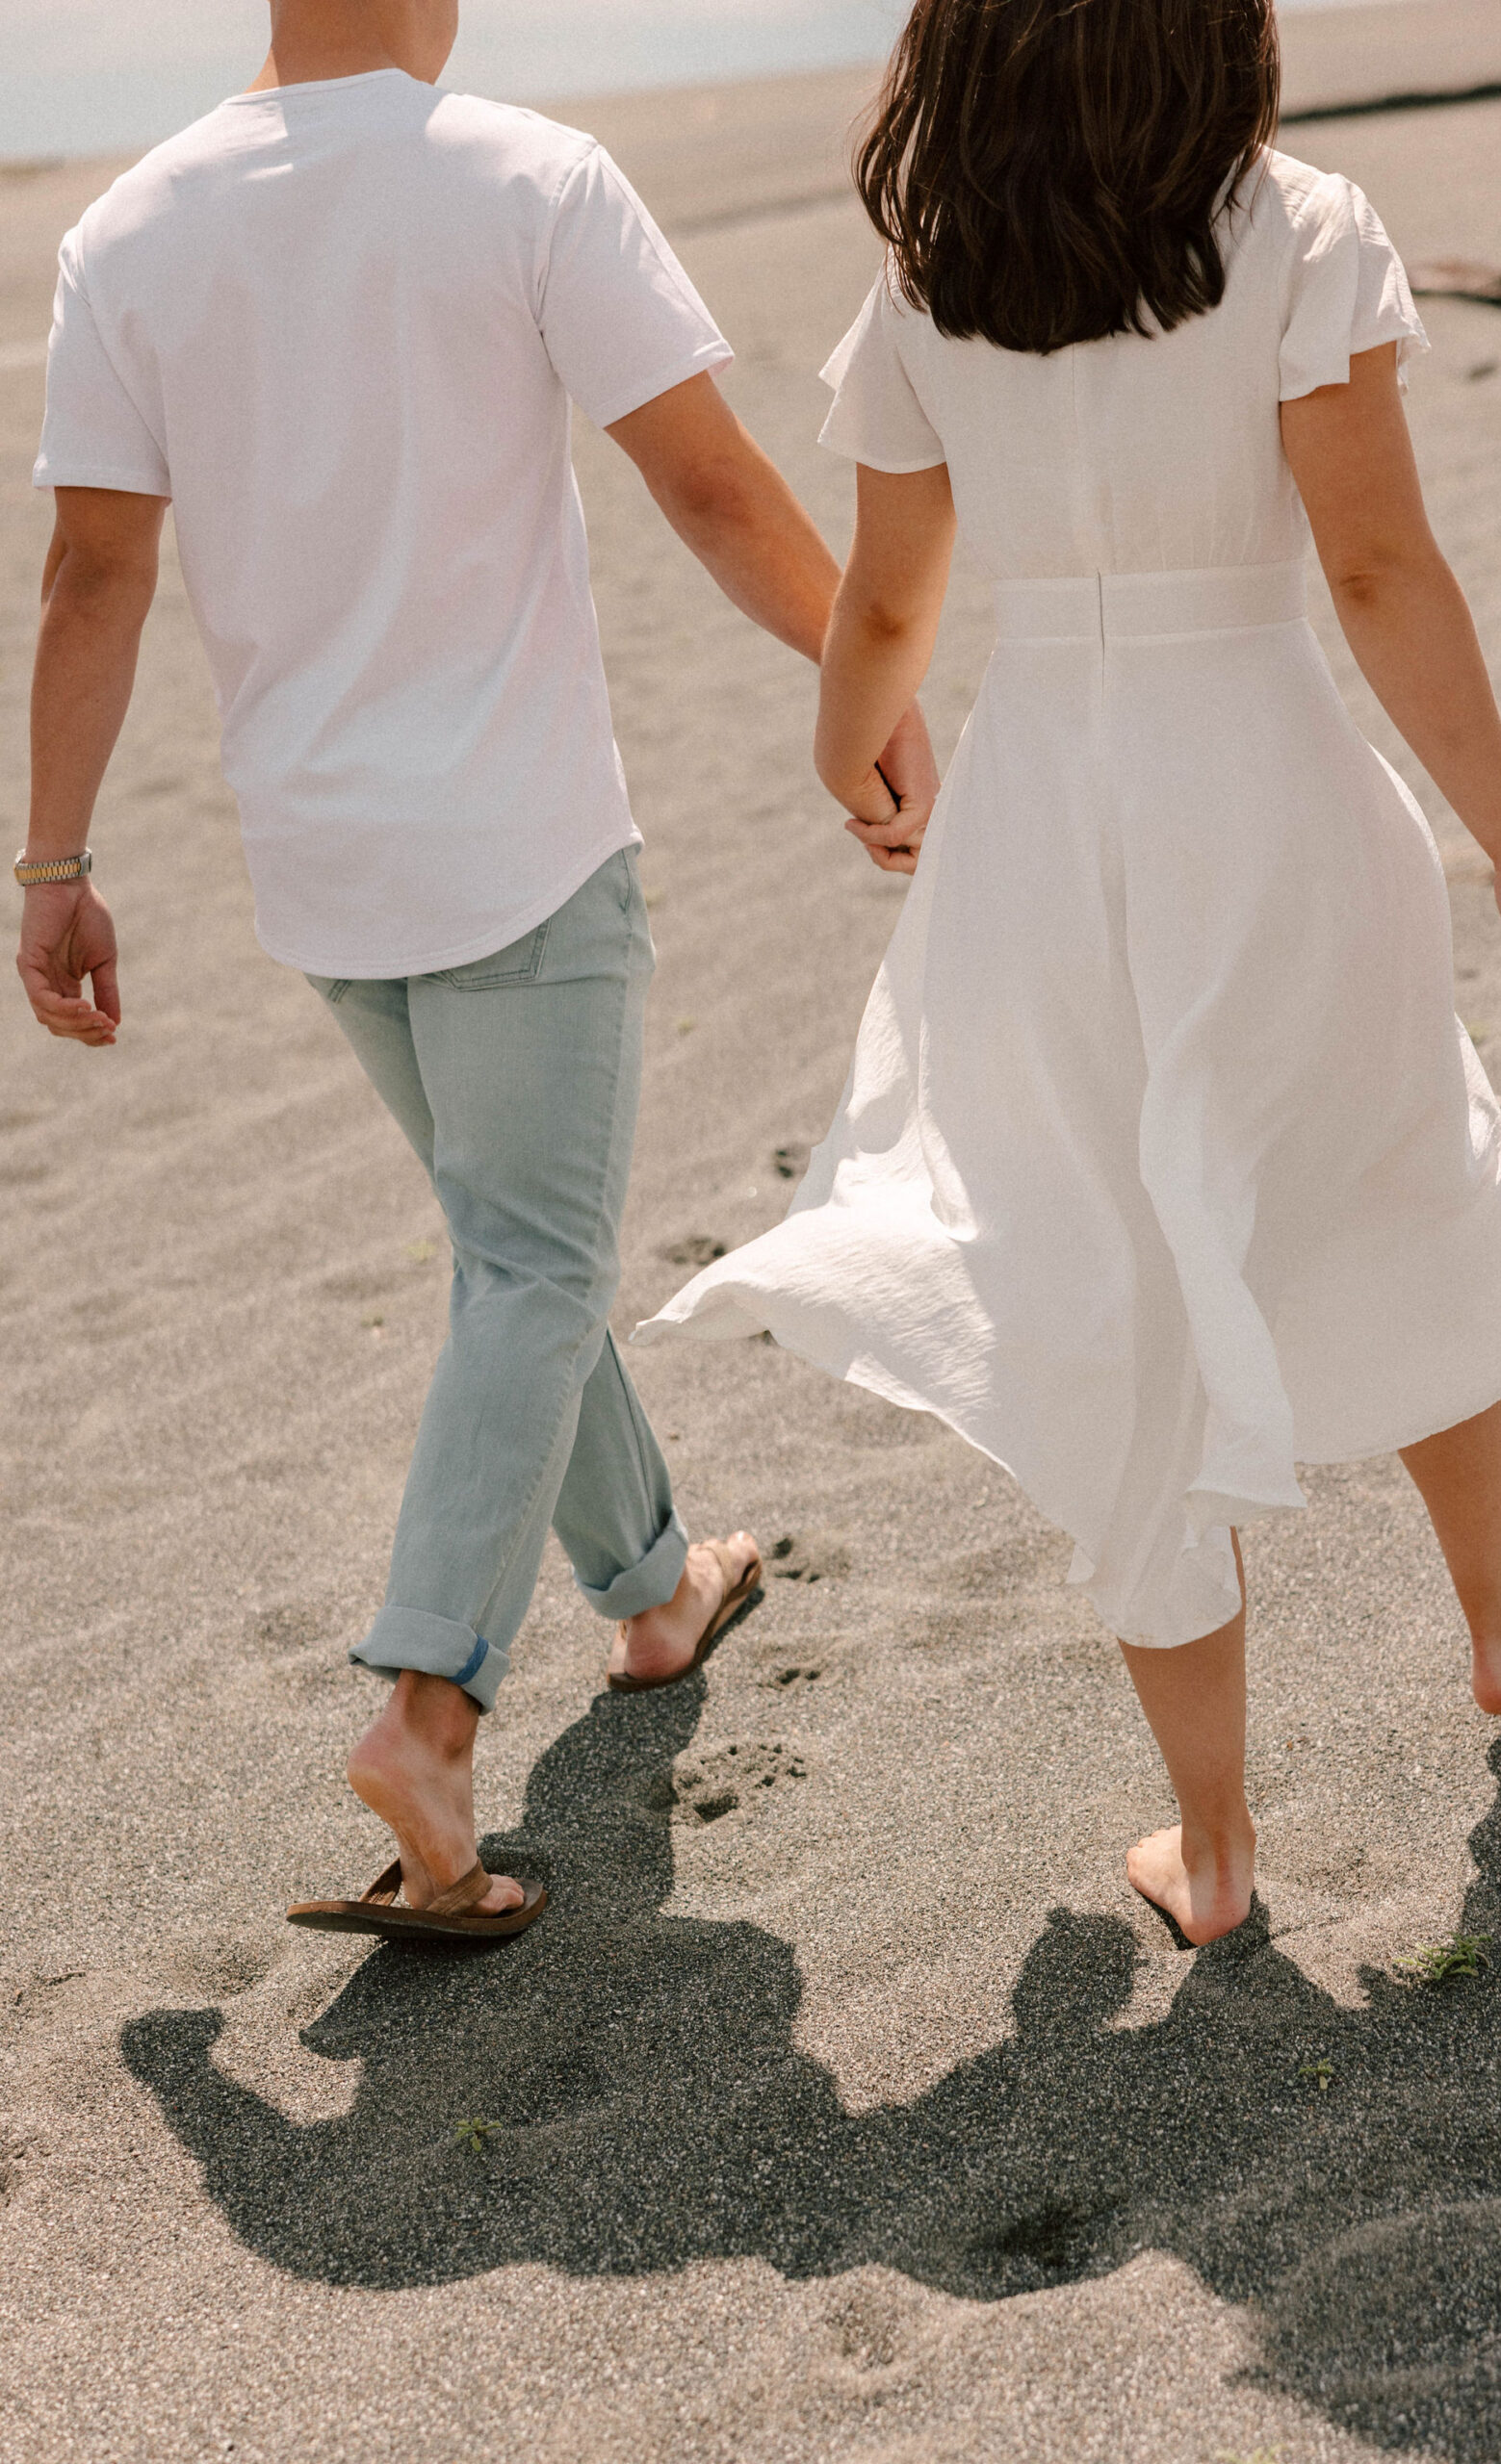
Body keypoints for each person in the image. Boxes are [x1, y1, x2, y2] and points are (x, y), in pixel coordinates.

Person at [638, 0, 1501, 1944]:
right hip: (1257, 788)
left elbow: (896, 597)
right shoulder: (1296, 229)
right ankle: (1499, 1624)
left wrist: (851, 758)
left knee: (1117, 1285)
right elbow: (1374, 572)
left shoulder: (932, 279)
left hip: (1047, 821)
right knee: (1397, 1167)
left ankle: (1220, 1848)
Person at [15, 0, 937, 1940]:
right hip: (515, 842)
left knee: (517, 1235)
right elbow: (703, 484)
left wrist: (58, 862)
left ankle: (655, 1589)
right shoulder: (528, 174)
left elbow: (91, 578)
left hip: (319, 865)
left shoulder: (130, 228)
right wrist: (875, 688)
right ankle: (428, 1707)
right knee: (532, 1256)